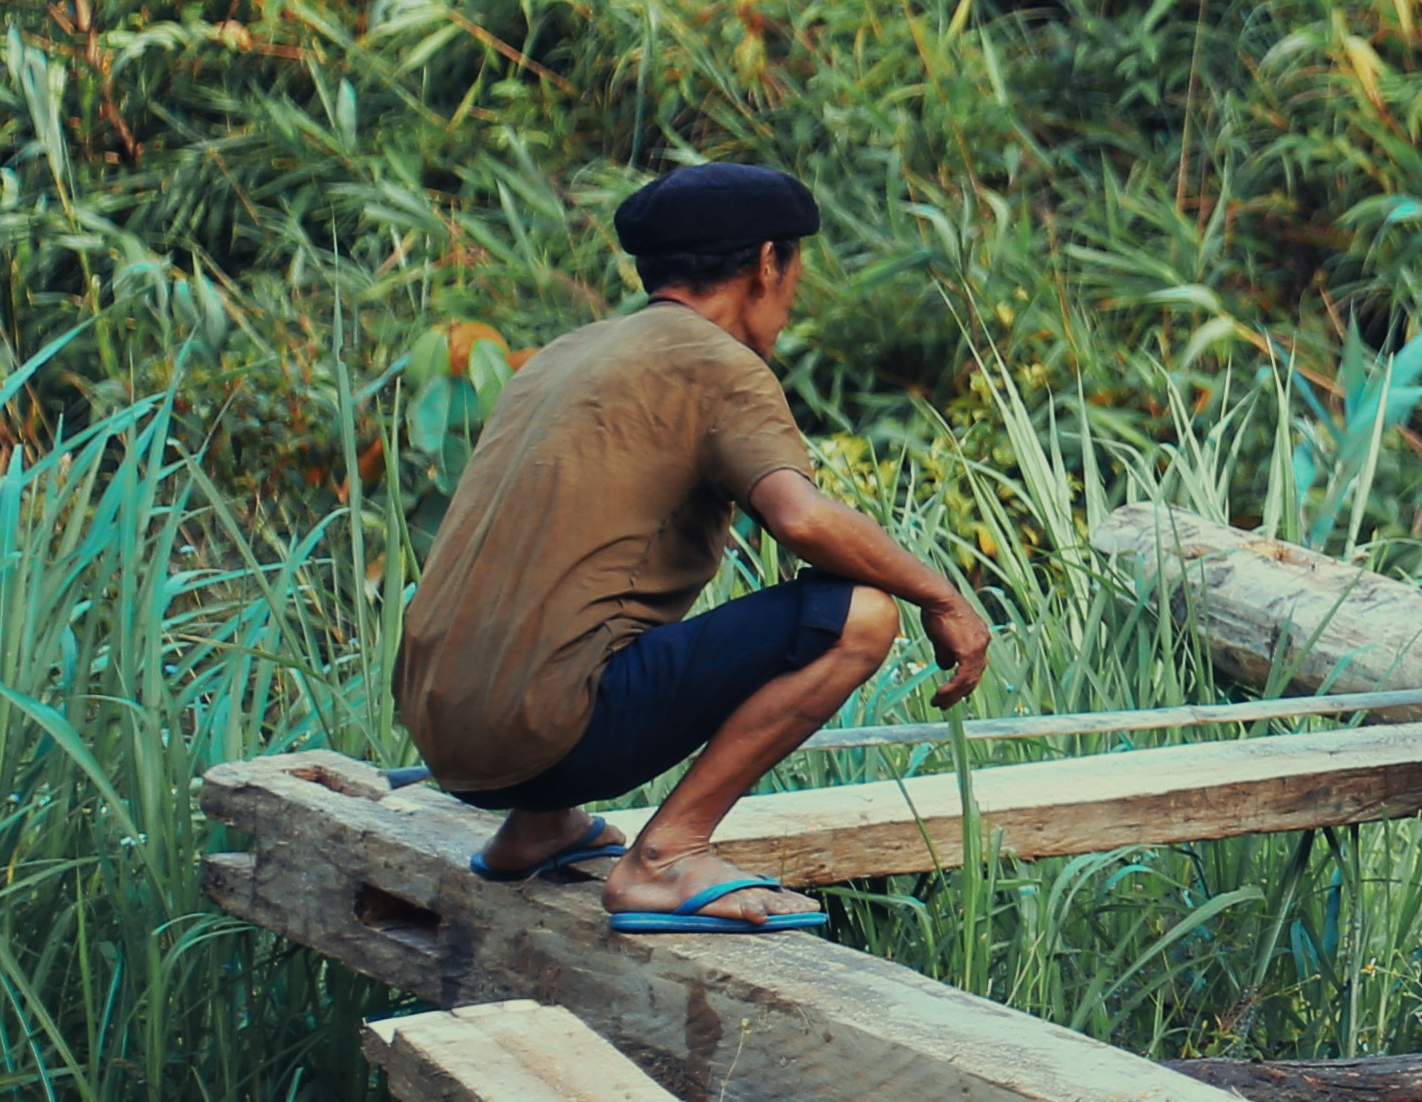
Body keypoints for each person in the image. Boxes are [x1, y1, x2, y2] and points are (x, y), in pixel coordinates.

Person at [391, 163, 992, 933]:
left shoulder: (562, 357)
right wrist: (941, 595)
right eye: (794, 271)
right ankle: (666, 856)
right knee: (861, 615)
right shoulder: (718, 364)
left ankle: (538, 828)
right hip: (550, 734)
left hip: (444, 732)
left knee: (589, 616)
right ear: (769, 263)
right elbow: (800, 520)